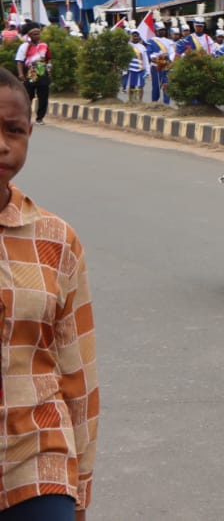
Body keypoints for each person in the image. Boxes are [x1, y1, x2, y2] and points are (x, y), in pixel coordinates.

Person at [0, 68, 98, 520]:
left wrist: (81, 487)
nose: (2, 144)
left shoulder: (56, 240)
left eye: (13, 130)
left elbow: (77, 375)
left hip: (38, 461)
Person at [14, 25, 51, 125]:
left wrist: (49, 69)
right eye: (34, 34)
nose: (37, 36)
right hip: (30, 72)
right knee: (28, 96)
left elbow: (48, 59)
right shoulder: (24, 46)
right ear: (29, 35)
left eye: (38, 33)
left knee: (43, 96)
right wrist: (21, 74)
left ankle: (40, 118)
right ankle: (25, 117)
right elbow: (19, 61)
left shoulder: (44, 45)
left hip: (42, 70)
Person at [146, 23, 175, 104]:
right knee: (156, 86)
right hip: (156, 67)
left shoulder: (169, 41)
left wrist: (169, 58)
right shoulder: (151, 41)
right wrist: (155, 57)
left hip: (166, 66)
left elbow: (172, 52)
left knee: (166, 85)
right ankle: (154, 103)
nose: (162, 32)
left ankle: (166, 104)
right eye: (160, 30)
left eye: (163, 30)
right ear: (156, 31)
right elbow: (149, 52)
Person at [123, 28, 151, 103]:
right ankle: (131, 101)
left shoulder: (142, 47)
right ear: (131, 36)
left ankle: (140, 101)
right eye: (134, 36)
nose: (135, 37)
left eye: (137, 36)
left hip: (141, 69)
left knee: (141, 86)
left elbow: (146, 60)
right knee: (131, 86)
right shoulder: (127, 46)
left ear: (139, 37)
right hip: (131, 69)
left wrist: (148, 71)